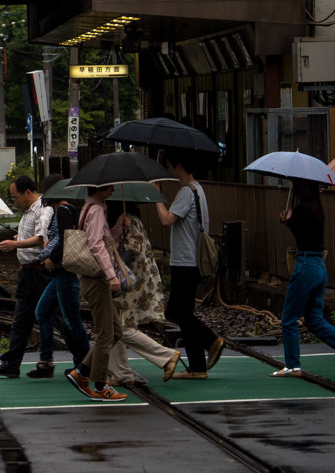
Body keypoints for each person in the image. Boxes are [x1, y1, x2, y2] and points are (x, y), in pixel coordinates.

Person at [271, 178, 335, 377]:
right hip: (319, 267)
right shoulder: (317, 209)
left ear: (299, 188)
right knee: (314, 319)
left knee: (289, 318)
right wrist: (290, 220)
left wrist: (287, 220)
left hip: (305, 266)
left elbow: (301, 235)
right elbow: (309, 234)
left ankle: (293, 365)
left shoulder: (301, 209)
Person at [155, 150, 224, 379]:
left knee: (178, 311)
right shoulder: (198, 189)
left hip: (185, 261)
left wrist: (157, 196)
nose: (169, 171)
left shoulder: (186, 191)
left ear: (179, 165)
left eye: (169, 166)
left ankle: (211, 342)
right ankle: (198, 365)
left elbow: (166, 220)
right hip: (190, 260)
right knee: (183, 312)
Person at [63, 184, 127, 402]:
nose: (112, 190)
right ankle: (99, 385)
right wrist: (111, 275)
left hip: (92, 277)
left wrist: (119, 227)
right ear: (99, 188)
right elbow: (96, 244)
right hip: (96, 278)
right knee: (106, 334)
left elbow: (104, 239)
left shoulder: (92, 207)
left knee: (115, 331)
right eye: (109, 187)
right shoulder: (97, 209)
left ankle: (81, 372)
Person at [0, 175, 52, 377]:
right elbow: (33, 237)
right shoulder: (29, 211)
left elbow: (41, 238)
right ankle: (12, 364)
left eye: (16, 197)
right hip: (27, 272)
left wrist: (16, 244)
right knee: (22, 319)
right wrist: (20, 239)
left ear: (28, 193)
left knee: (57, 318)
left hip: (39, 272)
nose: (15, 202)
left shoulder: (42, 209)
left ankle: (83, 360)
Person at [107, 205, 181, 386]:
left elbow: (133, 246)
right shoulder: (129, 218)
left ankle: (166, 355)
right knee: (113, 325)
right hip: (136, 279)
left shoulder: (127, 220)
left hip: (129, 281)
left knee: (120, 327)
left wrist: (111, 244)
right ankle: (120, 373)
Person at [29, 184, 90, 379]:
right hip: (61, 273)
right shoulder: (66, 210)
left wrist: (52, 258)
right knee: (43, 311)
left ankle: (86, 364)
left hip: (64, 271)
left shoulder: (63, 211)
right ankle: (47, 360)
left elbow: (65, 240)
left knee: (72, 319)